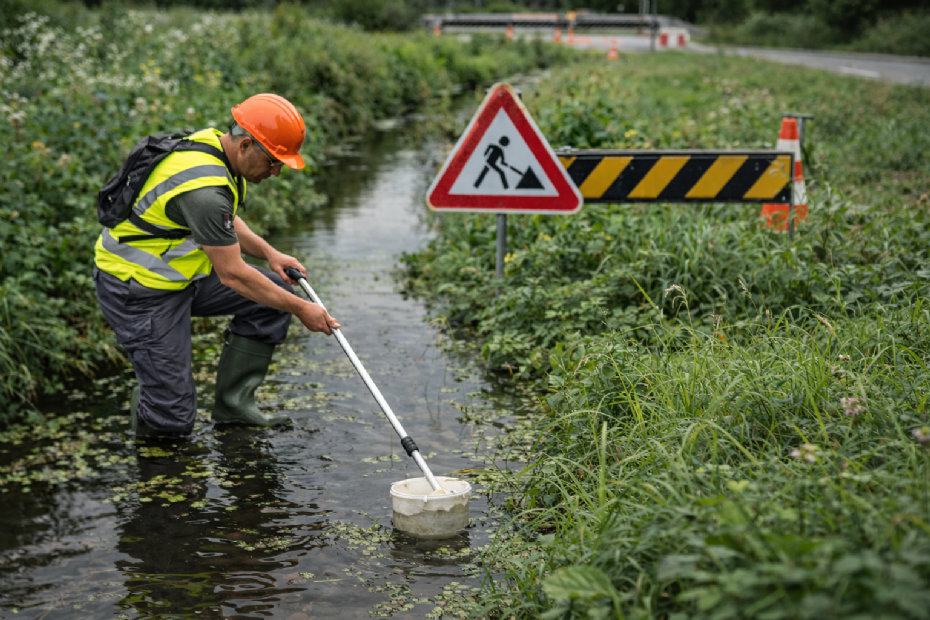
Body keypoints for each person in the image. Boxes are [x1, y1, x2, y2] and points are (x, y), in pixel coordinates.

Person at [93, 93, 339, 438]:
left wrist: (269, 253)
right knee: (173, 417)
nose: (277, 171)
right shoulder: (205, 190)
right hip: (138, 289)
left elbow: (221, 220)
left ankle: (234, 409)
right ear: (245, 145)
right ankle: (157, 468)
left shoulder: (213, 147)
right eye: (273, 161)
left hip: (180, 278)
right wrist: (302, 309)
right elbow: (233, 273)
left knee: (273, 298)